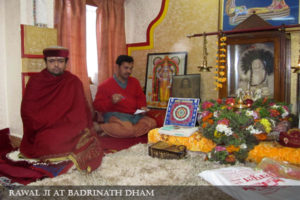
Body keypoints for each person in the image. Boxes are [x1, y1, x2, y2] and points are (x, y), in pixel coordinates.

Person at [20, 46, 103, 172]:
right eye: (52, 61)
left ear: (66, 63)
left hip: (69, 125)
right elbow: (28, 113)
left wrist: (74, 125)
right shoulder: (35, 82)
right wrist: (48, 123)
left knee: (82, 137)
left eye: (60, 61)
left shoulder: (73, 82)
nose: (56, 65)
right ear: (45, 62)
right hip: (44, 128)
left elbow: (82, 112)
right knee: (50, 143)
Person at [93, 55, 157, 138]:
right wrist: (111, 101)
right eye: (126, 68)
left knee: (152, 123)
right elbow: (97, 106)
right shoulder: (105, 85)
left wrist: (142, 107)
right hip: (116, 117)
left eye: (131, 68)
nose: (129, 71)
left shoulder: (135, 82)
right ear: (117, 67)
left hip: (134, 116)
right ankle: (101, 127)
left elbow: (140, 97)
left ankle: (116, 131)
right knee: (128, 129)